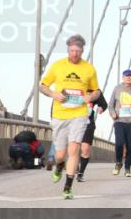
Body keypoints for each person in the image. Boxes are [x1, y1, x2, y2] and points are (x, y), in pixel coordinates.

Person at [39, 34, 101, 200]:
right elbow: (43, 86)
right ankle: (59, 166)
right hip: (60, 114)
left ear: (82, 51)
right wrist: (53, 94)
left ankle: (67, 187)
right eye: (72, 50)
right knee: (60, 155)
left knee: (74, 150)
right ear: (68, 50)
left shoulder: (89, 69)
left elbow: (97, 91)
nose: (75, 54)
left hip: (79, 114)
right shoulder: (57, 66)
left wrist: (90, 96)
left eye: (78, 51)